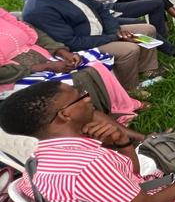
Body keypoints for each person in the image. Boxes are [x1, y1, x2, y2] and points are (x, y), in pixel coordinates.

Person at [1, 81, 175, 202]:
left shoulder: (36, 161)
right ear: (65, 114)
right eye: (80, 96)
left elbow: (131, 175)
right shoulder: (89, 164)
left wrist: (122, 143)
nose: (88, 97)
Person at [23, 0, 174, 91]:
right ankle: (130, 88)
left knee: (147, 29)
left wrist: (115, 30)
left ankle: (147, 70)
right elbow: (70, 43)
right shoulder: (40, 9)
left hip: (102, 32)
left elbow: (100, 9)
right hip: (82, 46)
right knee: (129, 49)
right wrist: (113, 37)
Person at [0, 8, 143, 120]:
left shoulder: (3, 16)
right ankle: (98, 119)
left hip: (46, 59)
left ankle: (119, 104)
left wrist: (63, 53)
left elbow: (38, 36)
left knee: (93, 63)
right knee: (78, 78)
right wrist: (45, 67)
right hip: (15, 76)